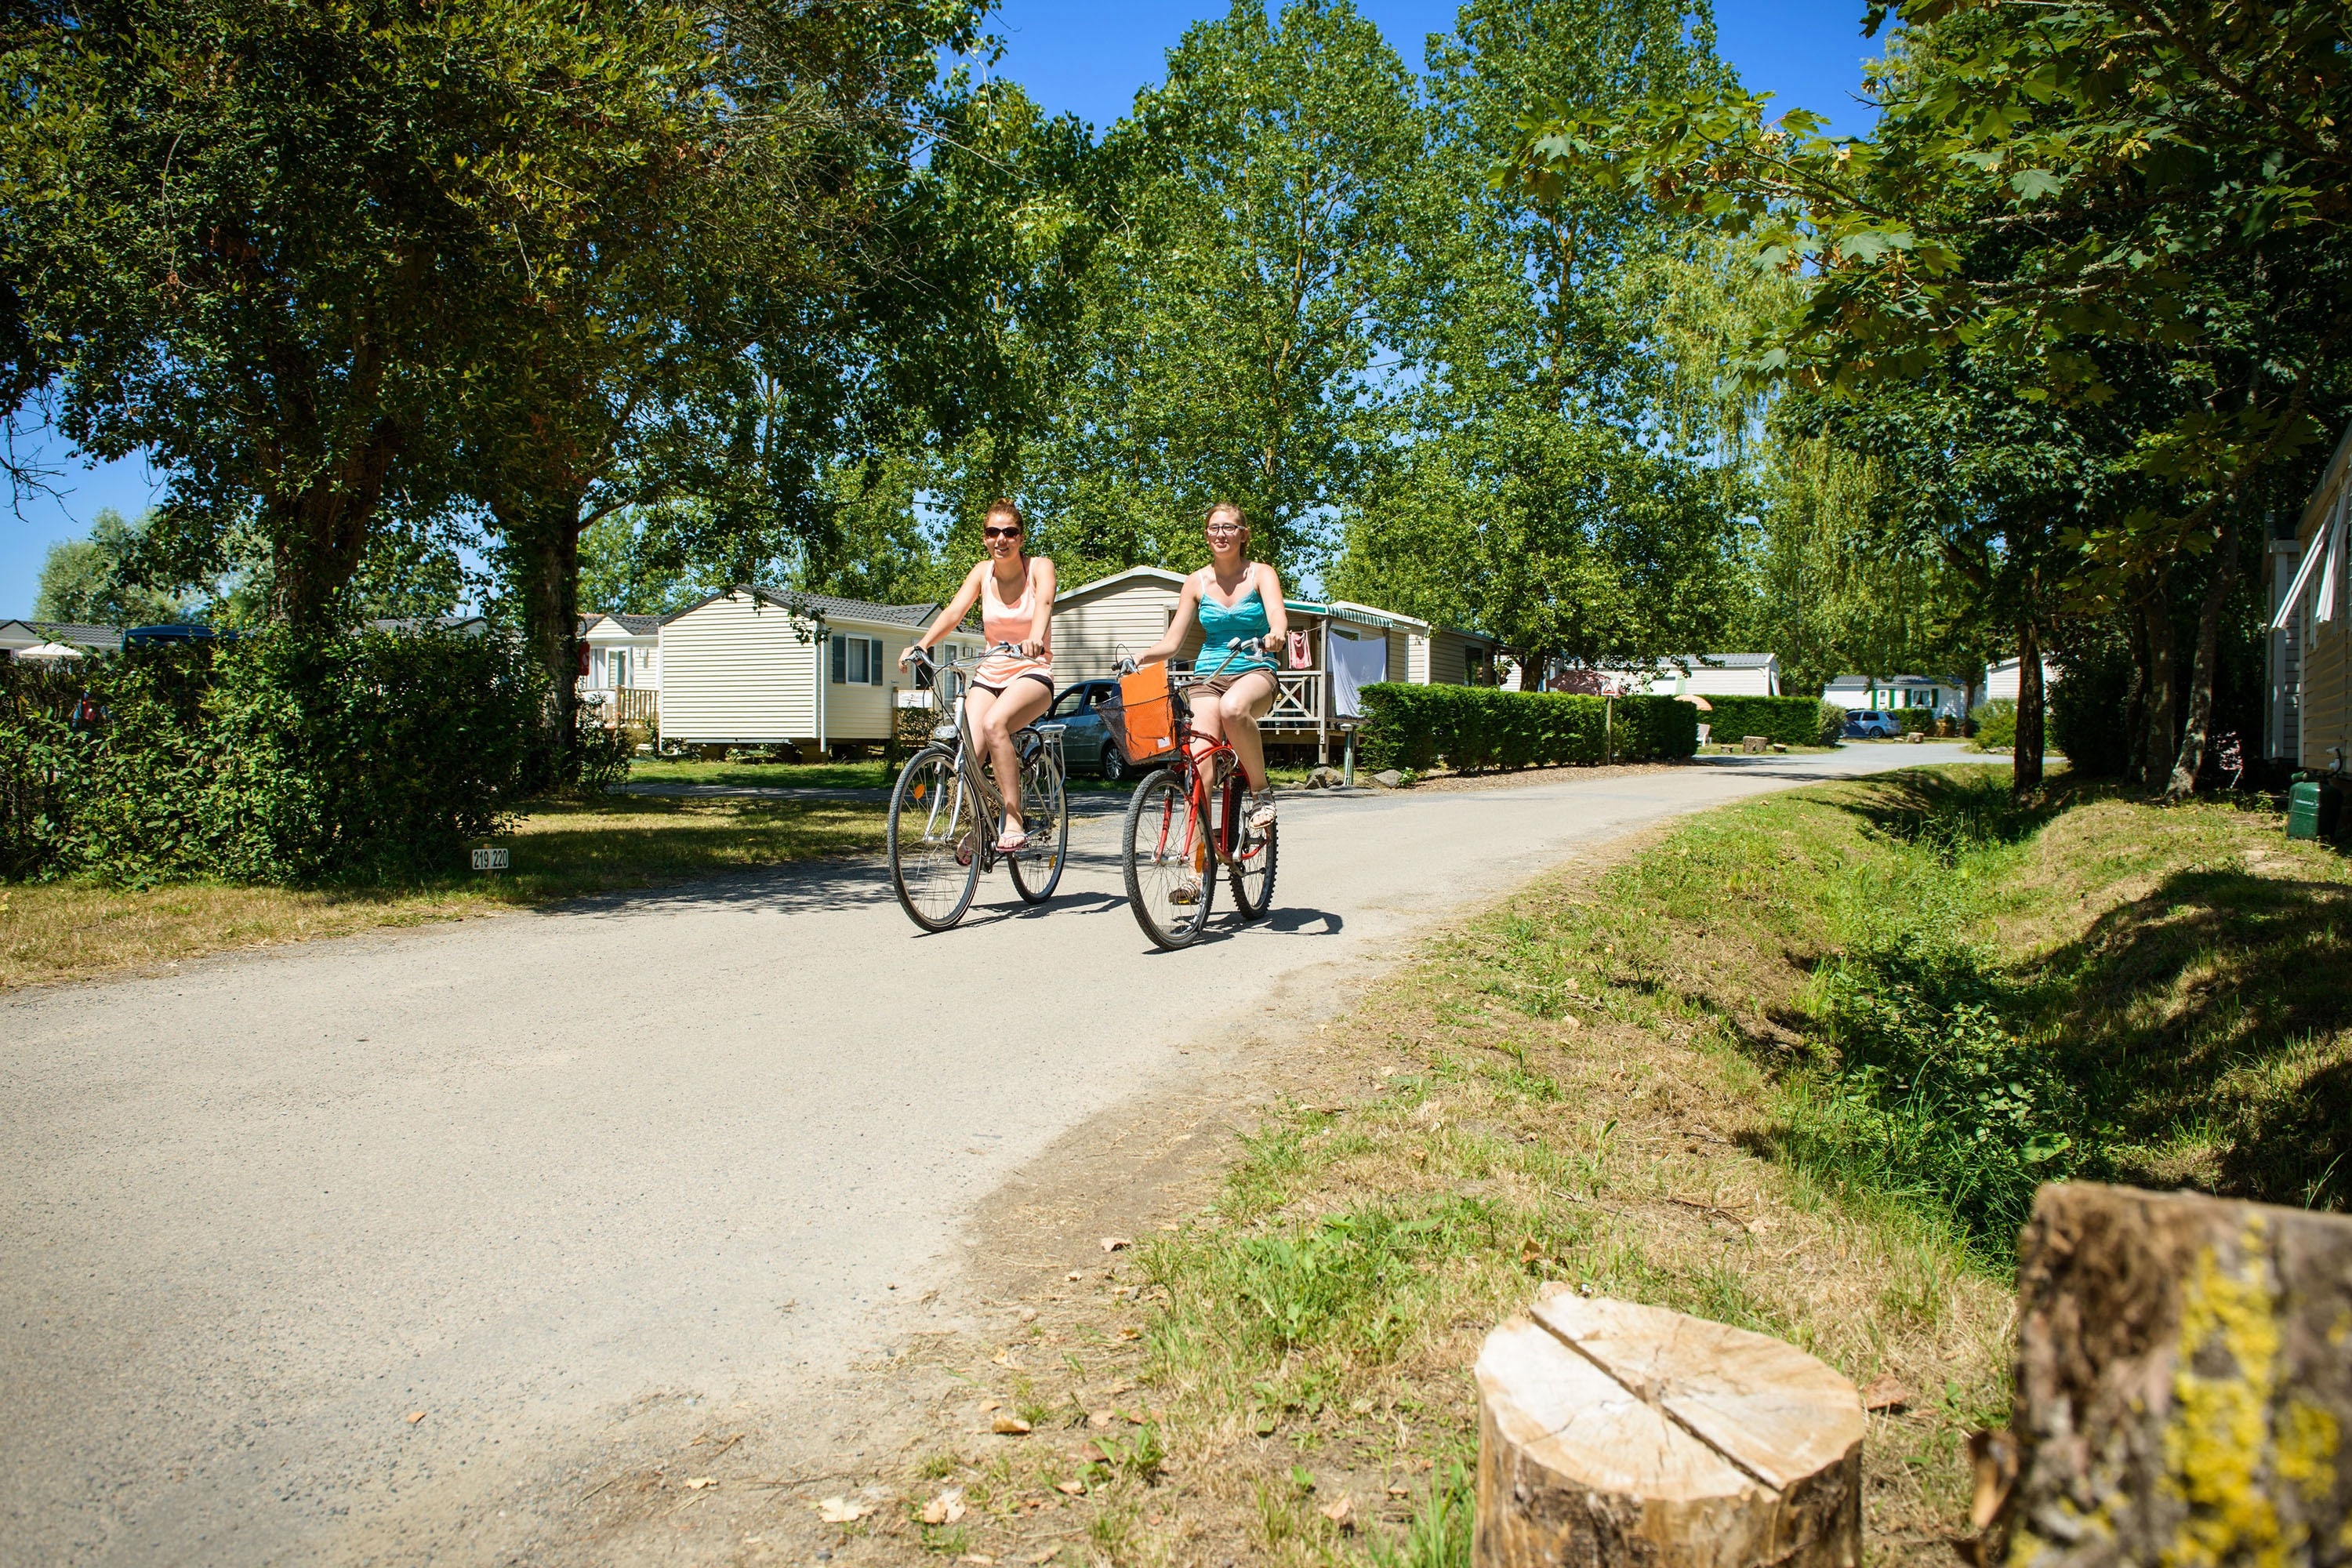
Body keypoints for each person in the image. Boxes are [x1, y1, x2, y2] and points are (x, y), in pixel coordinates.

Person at [902, 499, 1057, 853]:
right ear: (985, 538)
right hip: (990, 673)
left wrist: (1036, 635)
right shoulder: (981, 573)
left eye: (1009, 532)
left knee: (995, 725)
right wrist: (922, 643)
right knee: (968, 746)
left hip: (1032, 672)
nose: (1001, 539)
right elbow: (955, 612)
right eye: (993, 532)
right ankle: (981, 826)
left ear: (1020, 537)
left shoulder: (1039, 568)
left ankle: (1013, 816)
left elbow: (1045, 602)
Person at [1133, 501, 1287, 838]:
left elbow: (1277, 614)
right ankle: (1196, 867)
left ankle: (1261, 793)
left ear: (1243, 535)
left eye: (1229, 528)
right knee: (1199, 766)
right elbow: (1173, 642)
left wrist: (1275, 634)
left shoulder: (1262, 573)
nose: (1221, 534)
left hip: (1254, 668)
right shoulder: (1196, 582)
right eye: (1214, 528)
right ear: (1206, 535)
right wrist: (1141, 656)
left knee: (1234, 708)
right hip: (1209, 677)